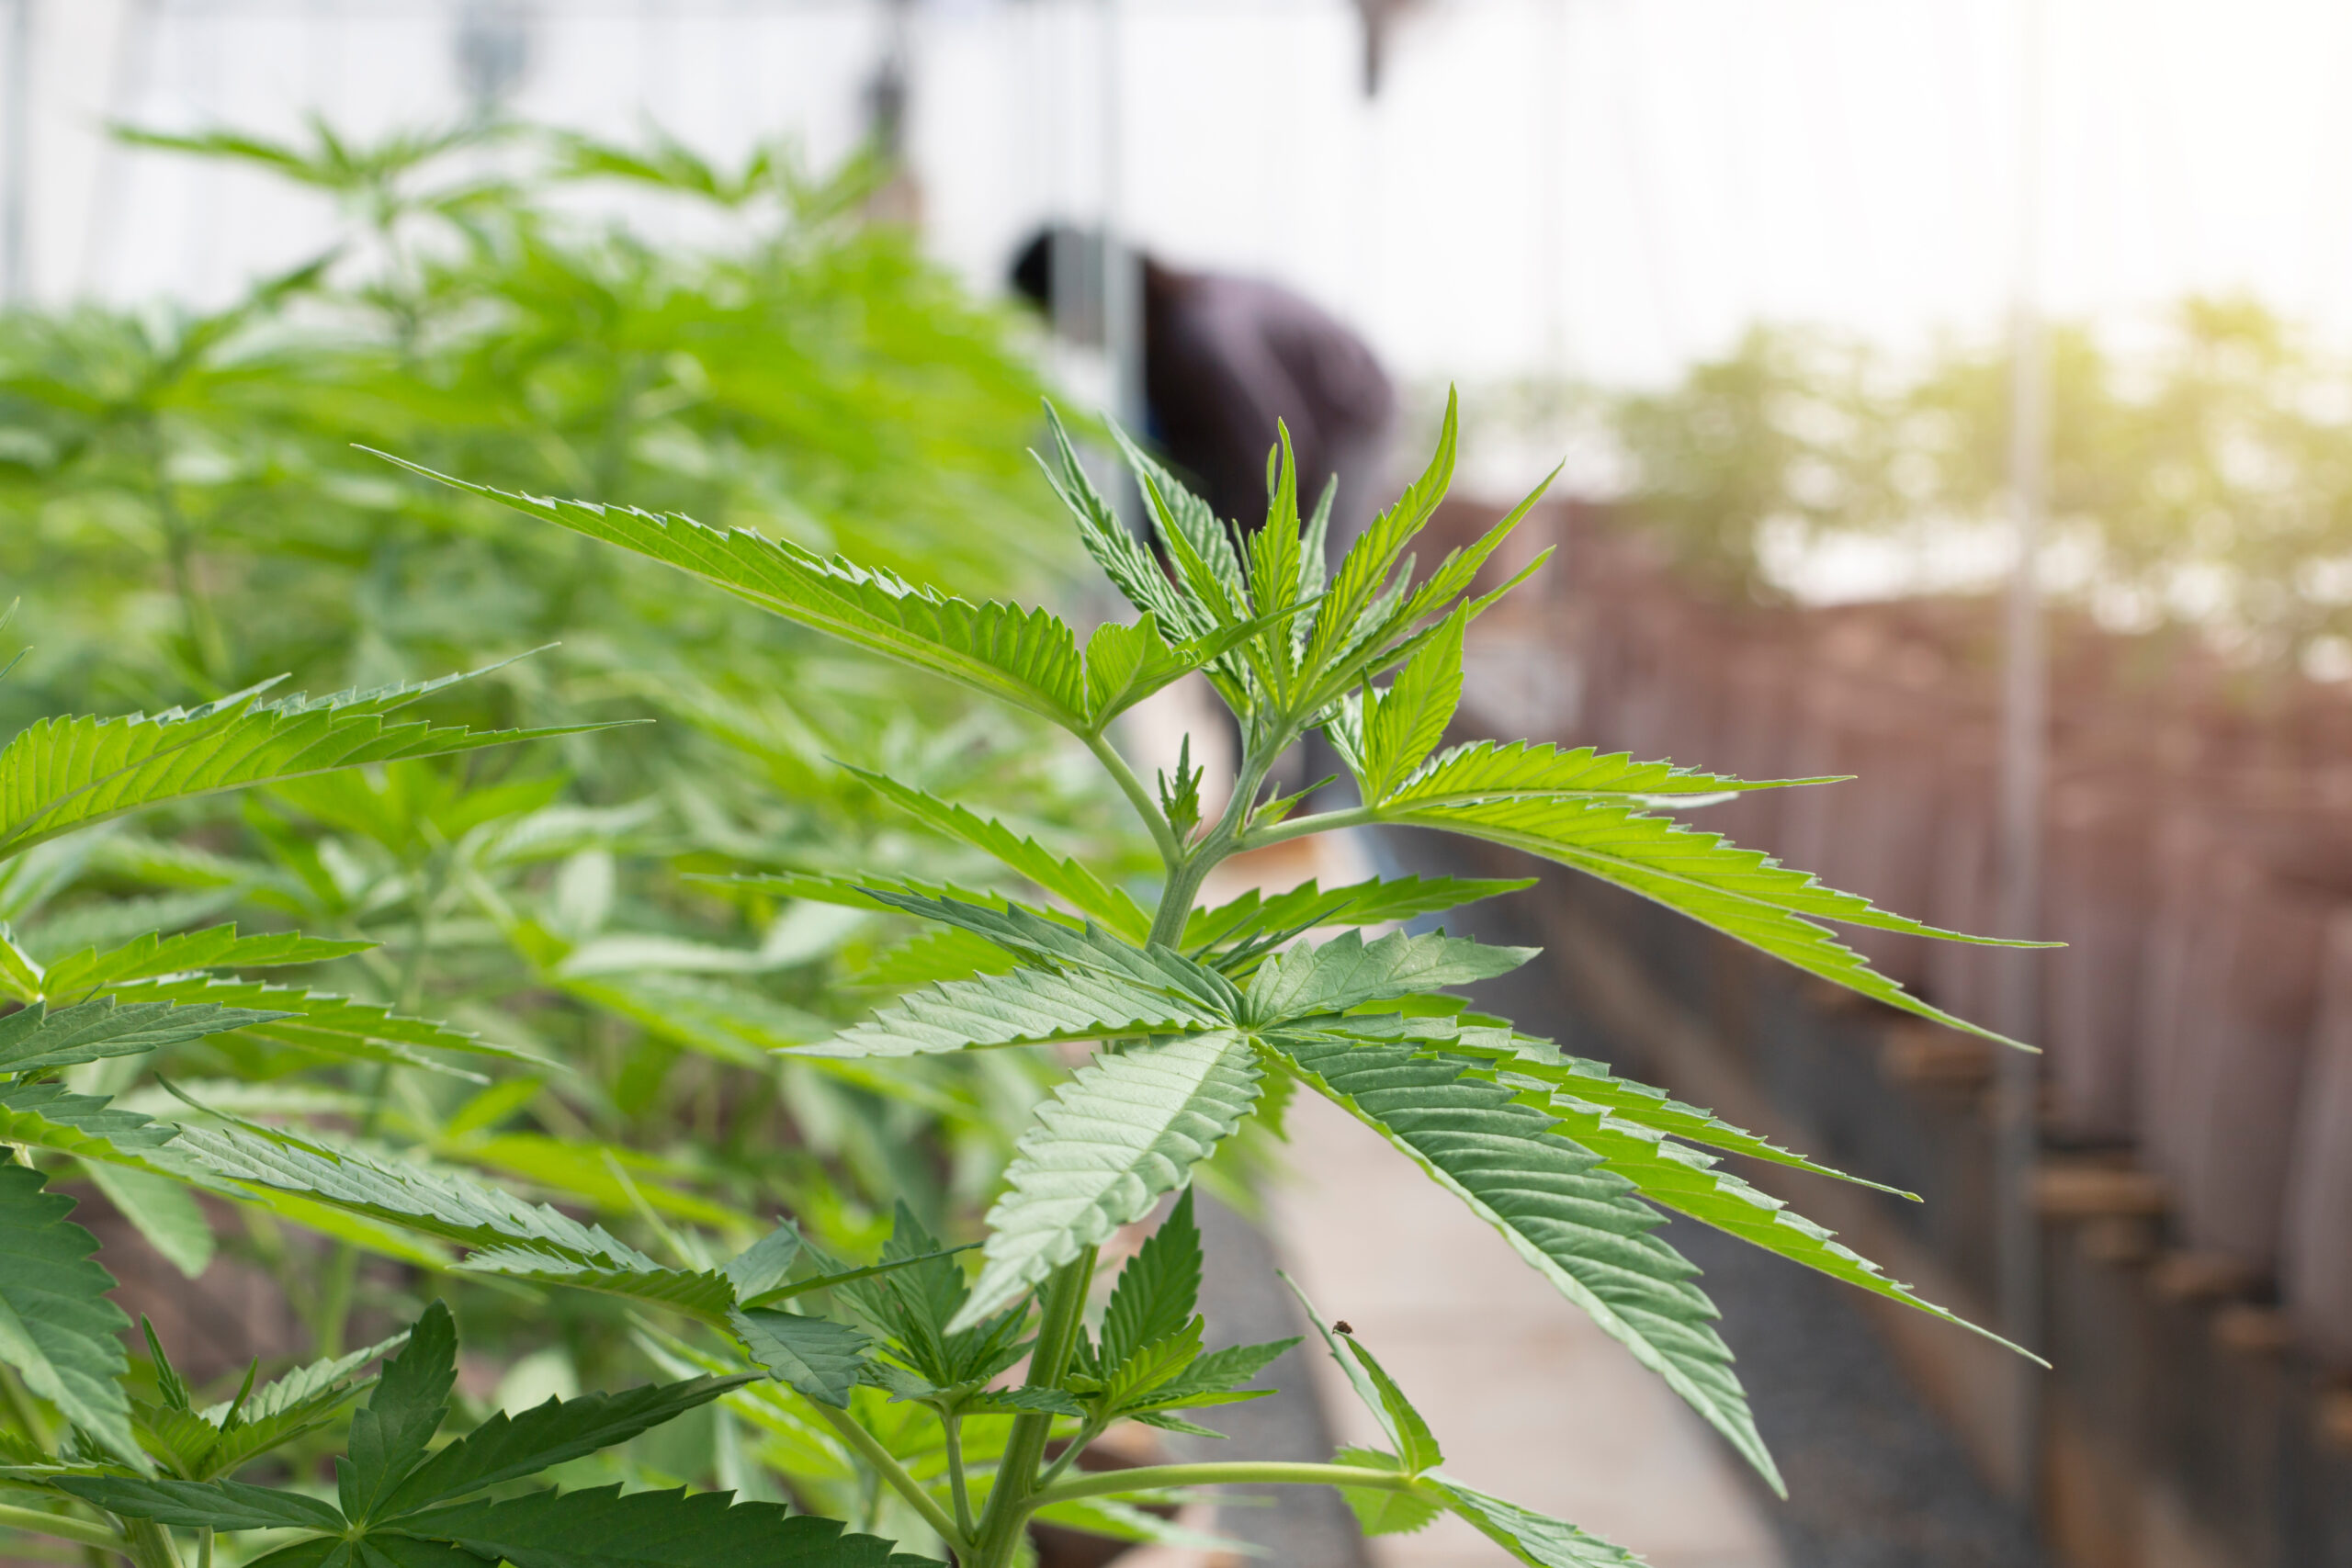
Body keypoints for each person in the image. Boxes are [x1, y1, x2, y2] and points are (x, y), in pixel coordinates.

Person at [1010, 225, 1395, 559]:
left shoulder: (1198, 335)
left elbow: (1271, 456)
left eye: (1052, 318)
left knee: (1309, 579)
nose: (1064, 338)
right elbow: (1186, 468)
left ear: (1082, 296)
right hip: (1298, 430)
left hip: (1348, 415)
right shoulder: (1156, 348)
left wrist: (1208, 562)